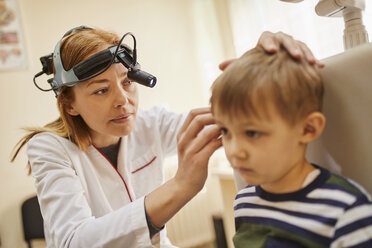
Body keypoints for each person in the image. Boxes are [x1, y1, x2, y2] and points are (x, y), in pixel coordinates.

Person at [11, 25, 321, 247]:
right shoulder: (50, 149)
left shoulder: (149, 124)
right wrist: (181, 186)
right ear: (69, 103)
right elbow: (73, 241)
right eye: (101, 90)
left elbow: (226, 123)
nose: (123, 100)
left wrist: (262, 62)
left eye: (127, 82)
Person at [210, 46, 372, 247]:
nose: (234, 151)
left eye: (252, 133)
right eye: (225, 131)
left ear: (307, 129)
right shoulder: (244, 202)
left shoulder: (345, 211)